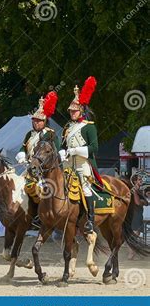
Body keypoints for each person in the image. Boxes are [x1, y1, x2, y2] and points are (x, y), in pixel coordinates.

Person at [60, 76, 99, 234]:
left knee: (86, 188)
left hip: (83, 164)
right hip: (68, 164)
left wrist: (75, 150)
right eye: (70, 111)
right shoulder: (67, 127)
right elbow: (62, 145)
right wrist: (62, 153)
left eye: (74, 110)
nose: (72, 113)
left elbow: (94, 147)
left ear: (81, 110)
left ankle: (90, 220)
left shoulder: (89, 127)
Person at [16, 91, 59, 164]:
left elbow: (56, 150)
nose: (36, 123)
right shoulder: (29, 134)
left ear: (44, 121)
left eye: (39, 121)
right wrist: (22, 156)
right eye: (34, 120)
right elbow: (23, 148)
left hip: (46, 167)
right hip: (30, 165)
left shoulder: (50, 134)